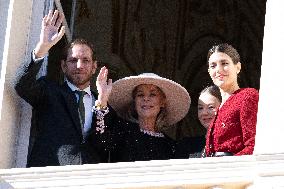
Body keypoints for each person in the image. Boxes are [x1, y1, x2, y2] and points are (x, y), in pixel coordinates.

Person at [14, 10, 108, 167]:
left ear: (94, 67)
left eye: (85, 60)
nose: (79, 66)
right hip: (49, 177)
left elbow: (107, 145)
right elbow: (22, 85)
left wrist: (102, 103)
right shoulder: (49, 92)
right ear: (63, 66)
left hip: (90, 180)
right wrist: (42, 47)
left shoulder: (103, 104)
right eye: (73, 60)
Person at [89, 68, 191, 162]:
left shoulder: (170, 146)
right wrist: (102, 99)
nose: (146, 99)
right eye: (140, 95)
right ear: (135, 102)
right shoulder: (121, 130)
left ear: (162, 103)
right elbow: (98, 143)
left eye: (153, 94)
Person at [205, 43, 259, 157]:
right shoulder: (219, 106)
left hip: (235, 171)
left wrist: (229, 167)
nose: (218, 70)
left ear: (237, 67)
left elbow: (253, 145)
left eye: (224, 63)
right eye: (213, 66)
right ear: (209, 72)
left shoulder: (247, 96)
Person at [174, 85, 221, 158]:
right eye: (200, 108)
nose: (204, 113)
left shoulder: (232, 142)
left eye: (211, 107)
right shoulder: (187, 146)